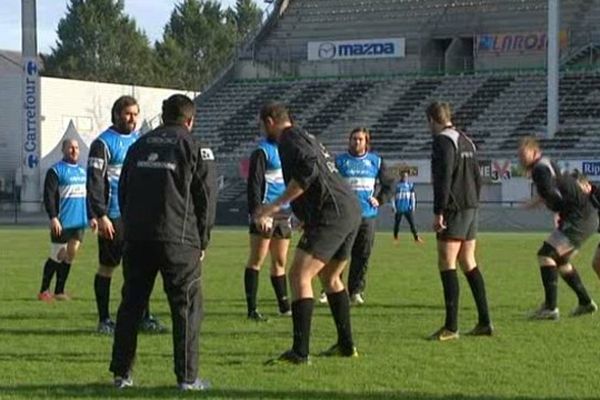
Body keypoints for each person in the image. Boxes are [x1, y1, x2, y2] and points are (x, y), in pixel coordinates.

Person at [110, 94, 217, 390]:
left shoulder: (138, 145)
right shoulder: (195, 147)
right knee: (186, 307)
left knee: (131, 305)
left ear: (162, 115)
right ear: (190, 120)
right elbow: (206, 198)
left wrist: (131, 227)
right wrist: (203, 239)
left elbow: (123, 190)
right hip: (179, 240)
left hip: (138, 238)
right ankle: (187, 378)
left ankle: (122, 375)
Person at [255, 102, 361, 364]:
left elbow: (308, 171)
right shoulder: (305, 136)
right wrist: (305, 215)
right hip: (347, 207)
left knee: (299, 274)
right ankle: (346, 345)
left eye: (261, 125)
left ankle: (300, 352)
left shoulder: (289, 137)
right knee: (330, 276)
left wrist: (273, 205)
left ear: (270, 121)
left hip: (332, 211)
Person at [87, 95, 164, 335]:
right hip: (113, 216)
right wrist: (101, 215)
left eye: (135, 114)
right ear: (117, 114)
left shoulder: (139, 141)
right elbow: (95, 181)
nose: (132, 118)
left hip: (138, 216)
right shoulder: (103, 143)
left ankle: (144, 316)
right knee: (108, 267)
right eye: (127, 113)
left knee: (142, 267)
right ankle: (104, 319)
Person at [428, 101, 492, 341]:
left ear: (432, 120)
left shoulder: (443, 141)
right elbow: (477, 176)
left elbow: (443, 177)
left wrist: (439, 211)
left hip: (454, 208)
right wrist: (475, 202)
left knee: (447, 262)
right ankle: (484, 321)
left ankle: (451, 326)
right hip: (471, 206)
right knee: (468, 260)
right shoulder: (466, 139)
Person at [519, 138, 597, 320]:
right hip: (584, 217)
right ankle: (585, 303)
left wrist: (555, 208)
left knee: (546, 254)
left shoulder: (539, 169)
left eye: (523, 155)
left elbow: (551, 194)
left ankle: (550, 308)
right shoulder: (546, 164)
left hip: (580, 219)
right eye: (519, 156)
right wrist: (542, 202)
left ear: (534, 152)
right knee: (561, 261)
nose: (521, 159)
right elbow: (556, 189)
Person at [334, 127, 394, 305]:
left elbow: (390, 184)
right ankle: (331, 286)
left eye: (360, 139)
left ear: (367, 142)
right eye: (353, 139)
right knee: (339, 253)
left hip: (367, 216)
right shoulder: (340, 161)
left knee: (362, 254)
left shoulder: (375, 161)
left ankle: (356, 291)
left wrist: (380, 199)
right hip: (344, 215)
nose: (356, 142)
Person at [244, 132, 292, 321]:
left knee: (280, 261)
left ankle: (284, 306)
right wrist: (259, 214)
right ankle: (252, 310)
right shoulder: (262, 152)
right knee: (257, 259)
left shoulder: (289, 151)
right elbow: (254, 184)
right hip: (265, 213)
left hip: (283, 213)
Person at [38, 139, 87, 302]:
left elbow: (87, 197)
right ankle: (44, 290)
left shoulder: (82, 171)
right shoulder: (56, 171)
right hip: (62, 221)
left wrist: (92, 217)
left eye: (76, 148)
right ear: (63, 150)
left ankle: (59, 291)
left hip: (79, 221)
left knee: (70, 255)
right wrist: (53, 217)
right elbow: (49, 196)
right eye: (71, 148)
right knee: (57, 256)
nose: (74, 150)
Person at [393, 171, 423, 244]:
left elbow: (413, 197)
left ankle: (416, 238)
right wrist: (394, 207)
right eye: (403, 176)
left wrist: (413, 206)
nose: (405, 178)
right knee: (397, 224)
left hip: (408, 208)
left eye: (406, 176)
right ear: (401, 177)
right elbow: (393, 197)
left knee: (412, 223)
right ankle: (395, 238)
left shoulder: (410, 185)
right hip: (399, 208)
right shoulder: (397, 186)